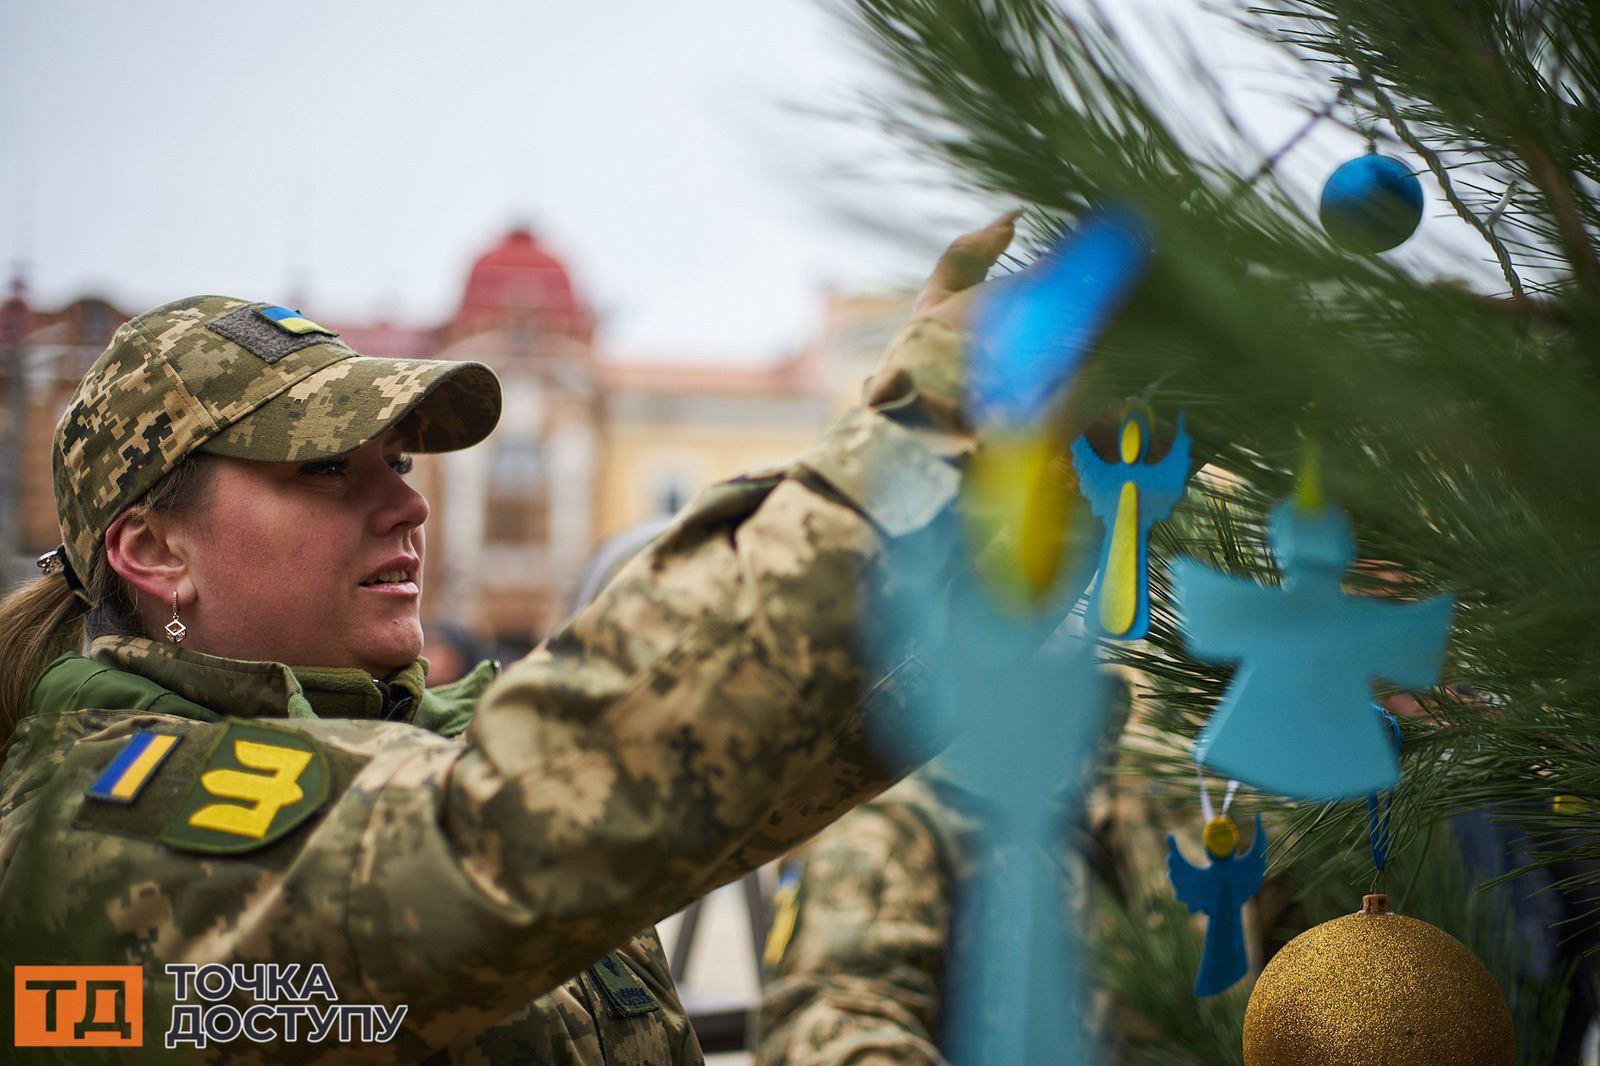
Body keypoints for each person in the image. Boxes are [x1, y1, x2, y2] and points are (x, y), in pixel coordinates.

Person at [0, 213, 1016, 1064]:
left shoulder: (433, 732)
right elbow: (500, 843)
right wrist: (905, 441)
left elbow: (788, 733)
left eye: (398, 462)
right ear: (153, 550)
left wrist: (1045, 503)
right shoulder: (94, 824)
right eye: (326, 470)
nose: (408, 504)